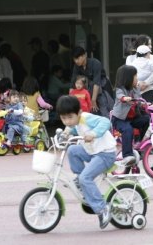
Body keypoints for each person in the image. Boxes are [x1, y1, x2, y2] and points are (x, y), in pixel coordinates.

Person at [56, 95, 116, 229]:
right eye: (63, 118)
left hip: (105, 153)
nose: (67, 121)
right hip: (92, 152)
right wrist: (65, 134)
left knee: (86, 177)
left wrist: (94, 134)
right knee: (72, 150)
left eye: (70, 117)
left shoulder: (87, 118)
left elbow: (106, 122)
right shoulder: (75, 123)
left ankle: (102, 208)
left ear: (79, 113)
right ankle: (81, 179)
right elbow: (72, 128)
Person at [110, 65, 150, 166]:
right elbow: (120, 96)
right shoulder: (120, 89)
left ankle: (138, 141)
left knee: (146, 119)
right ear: (127, 78)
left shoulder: (135, 88)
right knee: (128, 129)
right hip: (119, 119)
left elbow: (139, 99)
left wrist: (148, 104)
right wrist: (125, 98)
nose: (137, 78)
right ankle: (127, 155)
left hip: (132, 118)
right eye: (135, 76)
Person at [71, 46, 114, 117]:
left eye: (78, 58)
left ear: (84, 55)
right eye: (74, 59)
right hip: (87, 90)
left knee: (104, 109)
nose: (76, 61)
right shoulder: (76, 66)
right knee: (90, 111)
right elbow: (73, 83)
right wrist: (70, 99)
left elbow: (96, 83)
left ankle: (108, 126)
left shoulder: (95, 63)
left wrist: (93, 100)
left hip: (101, 88)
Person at [125, 34, 153, 102]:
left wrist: (146, 83)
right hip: (135, 91)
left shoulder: (152, 57)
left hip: (149, 90)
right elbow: (129, 75)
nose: (151, 46)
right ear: (143, 45)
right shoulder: (130, 58)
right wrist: (139, 84)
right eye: (149, 44)